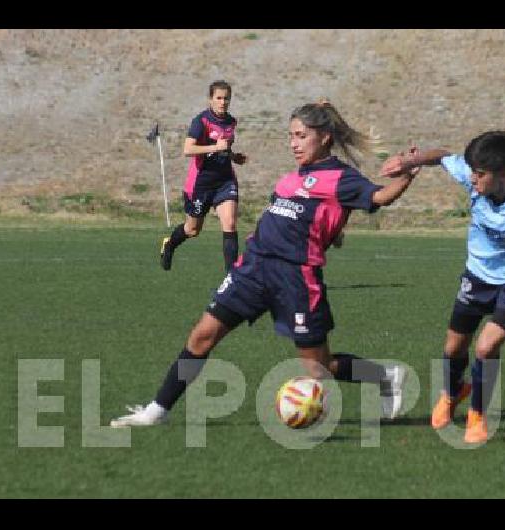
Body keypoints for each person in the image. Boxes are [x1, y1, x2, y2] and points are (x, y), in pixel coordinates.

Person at [111, 100, 420, 428]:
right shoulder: (290, 179)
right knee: (202, 335)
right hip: (254, 268)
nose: (293, 143)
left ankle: (384, 376)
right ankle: (156, 411)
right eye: (291, 136)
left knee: (319, 368)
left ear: (325, 137)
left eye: (301, 136)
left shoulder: (342, 178)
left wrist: (406, 177)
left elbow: (379, 197)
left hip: (296, 277)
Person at [381, 130, 505, 444]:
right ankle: (452, 393)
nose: (473, 178)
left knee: (485, 346)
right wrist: (407, 160)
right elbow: (442, 156)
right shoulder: (474, 178)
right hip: (479, 274)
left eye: (480, 174)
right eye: (472, 171)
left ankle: (478, 414)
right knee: (454, 347)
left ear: (503, 176)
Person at [159, 80, 248, 273]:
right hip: (201, 184)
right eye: (219, 98)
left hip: (225, 180)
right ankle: (170, 244)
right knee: (192, 230)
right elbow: (188, 149)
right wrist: (216, 147)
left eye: (226, 98)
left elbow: (224, 147)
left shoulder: (231, 122)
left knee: (230, 223)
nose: (223, 102)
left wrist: (233, 156)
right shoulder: (201, 121)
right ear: (210, 99)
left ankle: (231, 281)